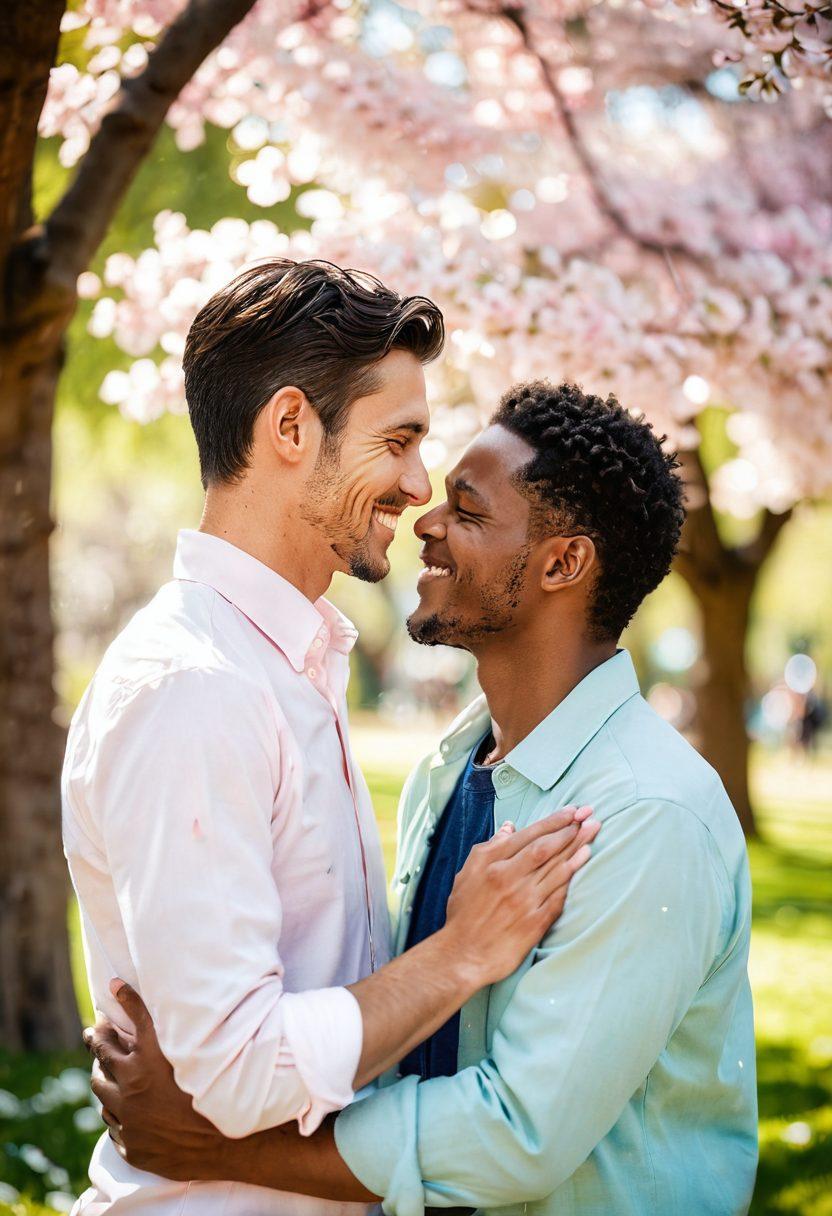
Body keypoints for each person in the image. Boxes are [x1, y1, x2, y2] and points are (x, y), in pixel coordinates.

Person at [89, 381, 758, 1216]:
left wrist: (219, 1144)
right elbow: (410, 1043)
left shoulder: (647, 814)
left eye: (467, 513)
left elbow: (517, 1135)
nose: (424, 523)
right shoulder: (446, 770)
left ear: (562, 563)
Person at [63, 264, 599, 1216]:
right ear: (290, 428)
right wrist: (457, 957)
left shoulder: (287, 663)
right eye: (396, 442)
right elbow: (234, 1071)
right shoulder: (196, 688)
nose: (418, 485)